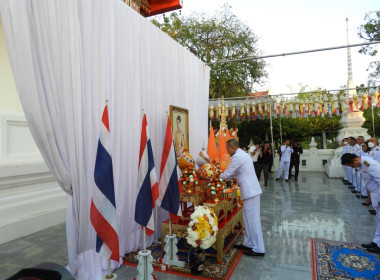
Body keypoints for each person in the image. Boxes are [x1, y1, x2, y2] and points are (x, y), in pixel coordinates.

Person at [220, 139, 265, 257]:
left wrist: (213, 176)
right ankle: (248, 243)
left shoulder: (237, 157)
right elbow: (234, 174)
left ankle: (259, 248)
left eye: (227, 148)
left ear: (232, 148)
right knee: (247, 218)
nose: (227, 151)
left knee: (253, 220)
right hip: (250, 191)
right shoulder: (242, 154)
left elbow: (227, 174)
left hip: (251, 192)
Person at [341, 153, 380, 253]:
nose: (352, 168)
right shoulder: (361, 164)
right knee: (379, 219)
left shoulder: (370, 164)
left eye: (351, 166)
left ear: (355, 161)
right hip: (375, 194)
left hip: (378, 194)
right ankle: (376, 242)